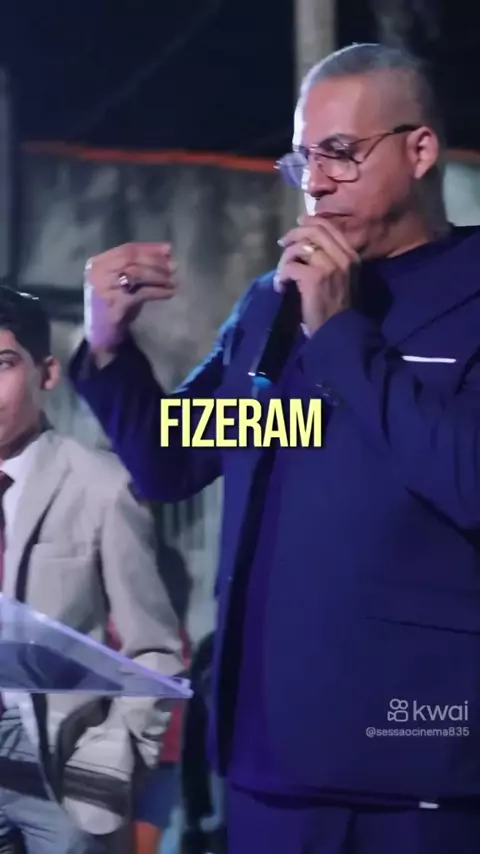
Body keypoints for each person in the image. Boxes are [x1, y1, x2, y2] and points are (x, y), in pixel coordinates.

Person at [69, 41, 480, 854]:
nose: (316, 183)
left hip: (418, 765)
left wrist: (341, 336)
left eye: (341, 153)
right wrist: (110, 349)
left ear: (421, 150)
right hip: (270, 767)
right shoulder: (274, 302)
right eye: (303, 159)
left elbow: (466, 478)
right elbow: (175, 461)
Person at [0, 286, 184, 853]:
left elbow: (155, 650)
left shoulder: (100, 485)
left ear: (47, 373)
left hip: (57, 760)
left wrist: (110, 765)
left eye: (2, 365)